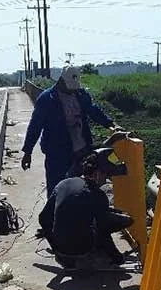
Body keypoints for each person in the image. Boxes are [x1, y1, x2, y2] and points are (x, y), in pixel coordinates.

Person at [21, 64, 121, 196]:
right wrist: (28, 151)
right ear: (61, 81)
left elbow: (94, 111)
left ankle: (77, 214)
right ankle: (54, 214)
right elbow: (35, 126)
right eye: (69, 88)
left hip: (81, 151)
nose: (72, 91)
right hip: (57, 154)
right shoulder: (47, 99)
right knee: (56, 189)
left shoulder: (81, 95)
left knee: (82, 188)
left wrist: (111, 124)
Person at [37, 148, 133, 269]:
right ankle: (90, 256)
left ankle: (68, 254)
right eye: (106, 175)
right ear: (97, 173)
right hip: (82, 250)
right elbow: (103, 231)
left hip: (61, 251)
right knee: (123, 220)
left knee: (99, 219)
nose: (107, 180)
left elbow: (43, 218)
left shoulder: (64, 183)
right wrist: (117, 258)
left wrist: (56, 247)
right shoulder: (97, 195)